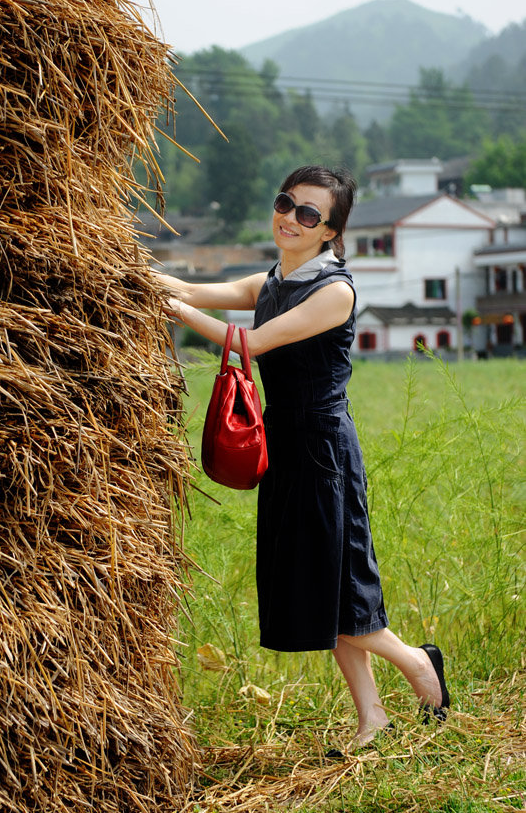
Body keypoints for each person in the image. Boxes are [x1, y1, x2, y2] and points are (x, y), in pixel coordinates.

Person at [158, 164, 450, 752]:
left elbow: (246, 344)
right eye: (286, 203)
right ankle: (374, 718)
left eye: (309, 214)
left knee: (338, 579)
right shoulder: (275, 279)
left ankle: (417, 663)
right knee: (323, 586)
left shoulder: (334, 291)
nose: (290, 218)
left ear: (331, 232)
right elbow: (194, 289)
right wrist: (143, 280)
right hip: (284, 444)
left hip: (322, 450)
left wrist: (178, 312)